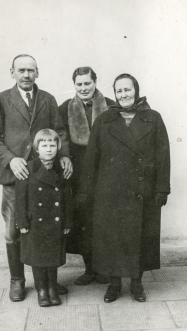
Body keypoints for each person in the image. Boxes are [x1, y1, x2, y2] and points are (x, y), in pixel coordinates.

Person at [77, 73, 170, 302]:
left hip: (143, 192)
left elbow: (163, 156)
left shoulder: (153, 118)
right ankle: (114, 285)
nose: (123, 94)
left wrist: (162, 189)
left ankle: (137, 284)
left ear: (136, 91)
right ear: (115, 94)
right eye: (119, 91)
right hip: (109, 192)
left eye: (127, 90)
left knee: (139, 239)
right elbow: (91, 159)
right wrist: (85, 191)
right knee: (112, 238)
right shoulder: (104, 120)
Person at [0, 54, 73, 302]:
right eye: (21, 70)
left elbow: (59, 132)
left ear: (38, 73)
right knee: (15, 230)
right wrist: (11, 159)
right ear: (12, 72)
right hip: (16, 177)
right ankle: (18, 280)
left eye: (31, 70)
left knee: (46, 229)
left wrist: (65, 155)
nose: (26, 75)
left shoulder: (47, 99)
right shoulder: (2, 99)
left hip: (44, 178)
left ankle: (48, 282)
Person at [59, 67, 115, 285]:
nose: (83, 88)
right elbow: (60, 138)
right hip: (79, 176)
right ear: (74, 85)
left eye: (87, 83)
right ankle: (90, 269)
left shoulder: (111, 106)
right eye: (79, 84)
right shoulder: (65, 108)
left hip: (107, 174)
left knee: (106, 220)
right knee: (84, 222)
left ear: (95, 82)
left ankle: (107, 269)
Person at [15, 129, 72, 307]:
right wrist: (22, 222)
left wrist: (67, 221)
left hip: (55, 222)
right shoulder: (28, 168)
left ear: (58, 147)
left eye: (52, 145)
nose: (48, 149)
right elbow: (20, 199)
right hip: (34, 223)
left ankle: (52, 288)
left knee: (52, 257)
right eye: (44, 145)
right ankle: (42, 290)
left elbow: (67, 199)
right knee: (37, 258)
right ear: (36, 148)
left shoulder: (61, 169)